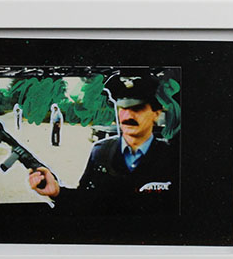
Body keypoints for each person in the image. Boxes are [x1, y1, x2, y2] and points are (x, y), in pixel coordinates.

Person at [28, 71, 178, 215]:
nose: (128, 115)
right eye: (122, 107)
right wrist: (57, 192)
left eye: (137, 108)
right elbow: (85, 202)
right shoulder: (101, 152)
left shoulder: (173, 157)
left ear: (156, 113)